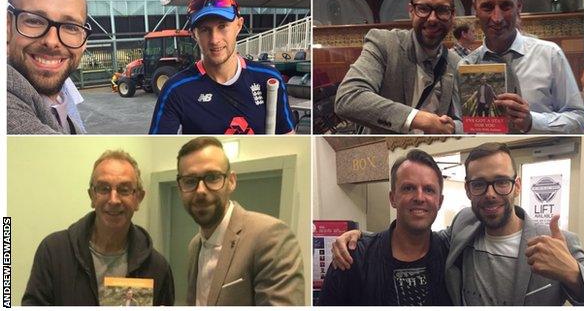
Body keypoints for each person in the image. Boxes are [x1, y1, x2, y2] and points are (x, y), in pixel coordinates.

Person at [331, 143, 584, 306]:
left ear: (516, 185)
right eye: (479, 184)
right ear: (468, 190)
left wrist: (573, 274)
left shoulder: (559, 244)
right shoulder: (462, 228)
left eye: (501, 182)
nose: (490, 193)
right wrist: (360, 239)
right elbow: (412, 235)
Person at [22, 150, 174, 306]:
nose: (114, 200)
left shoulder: (157, 267)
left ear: (138, 198)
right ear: (92, 196)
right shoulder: (54, 252)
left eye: (124, 190)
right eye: (104, 189)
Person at [176, 137, 304, 305]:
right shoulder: (194, 246)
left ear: (231, 181)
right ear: (180, 188)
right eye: (190, 181)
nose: (200, 190)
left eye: (213, 177)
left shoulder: (271, 237)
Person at [459, 0, 584, 134]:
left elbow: (580, 119)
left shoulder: (550, 55)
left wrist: (532, 121)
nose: (497, 17)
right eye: (487, 7)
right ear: (475, 10)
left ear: (519, 6)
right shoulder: (465, 66)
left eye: (506, 6)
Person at [149, 0, 295, 134]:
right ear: (194, 35)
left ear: (238, 25)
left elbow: (289, 140)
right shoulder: (176, 90)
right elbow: (158, 150)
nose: (215, 40)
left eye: (222, 26)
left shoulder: (268, 79)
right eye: (205, 30)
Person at [319, 150, 452, 305]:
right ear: (392, 198)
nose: (419, 197)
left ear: (440, 202)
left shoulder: (453, 255)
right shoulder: (352, 258)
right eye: (408, 188)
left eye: (429, 190)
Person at [334, 0, 460, 134]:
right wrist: (419, 119)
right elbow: (348, 98)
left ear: (453, 15)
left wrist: (454, 127)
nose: (433, 19)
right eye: (423, 9)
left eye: (442, 10)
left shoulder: (455, 63)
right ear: (411, 11)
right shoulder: (384, 43)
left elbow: (466, 120)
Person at [7, 0, 90, 134]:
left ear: (84, 40)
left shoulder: (64, 103)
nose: (52, 41)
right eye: (34, 21)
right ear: (7, 27)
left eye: (70, 26)